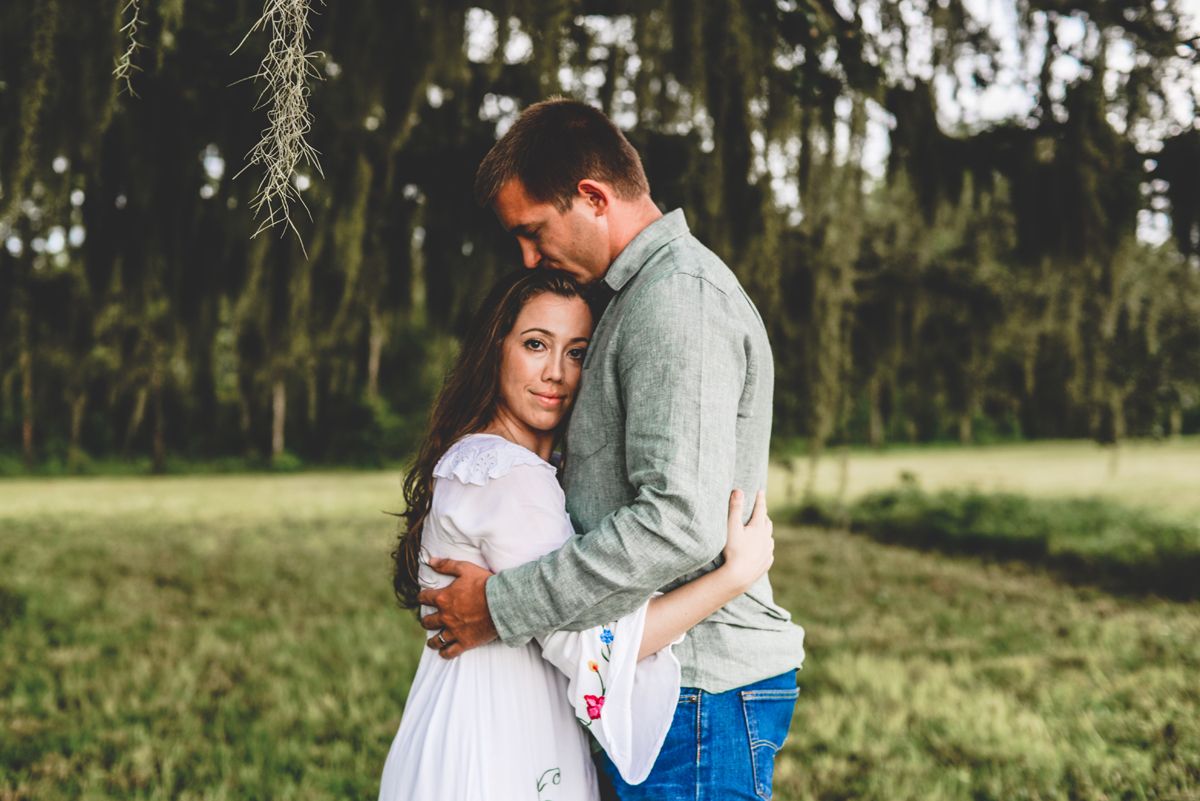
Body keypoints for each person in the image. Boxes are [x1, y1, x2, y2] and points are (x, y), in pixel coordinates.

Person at [419, 98, 807, 799]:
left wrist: (504, 604)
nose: (529, 258)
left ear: (592, 197)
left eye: (533, 232)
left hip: (695, 694)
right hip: (643, 686)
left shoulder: (677, 298)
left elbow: (678, 521)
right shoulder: (633, 298)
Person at [377, 268, 777, 801]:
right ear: (495, 350)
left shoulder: (494, 461)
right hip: (496, 747)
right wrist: (732, 579)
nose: (556, 373)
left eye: (577, 353)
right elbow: (593, 643)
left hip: (474, 725)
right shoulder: (505, 474)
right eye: (536, 344)